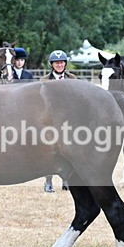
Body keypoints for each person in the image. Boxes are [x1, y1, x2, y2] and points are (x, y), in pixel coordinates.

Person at [40, 50, 76, 192]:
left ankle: (66, 179)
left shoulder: (72, 78)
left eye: (61, 62)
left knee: (68, 151)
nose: (59, 65)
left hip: (68, 120)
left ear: (65, 64)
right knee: (49, 151)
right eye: (56, 63)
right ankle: (48, 181)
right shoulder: (44, 80)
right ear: (52, 65)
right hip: (50, 119)